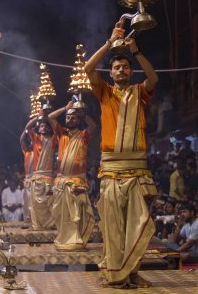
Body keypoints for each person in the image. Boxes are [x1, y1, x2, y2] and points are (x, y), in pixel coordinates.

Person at [85, 21, 158, 289]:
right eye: (116, 67)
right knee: (113, 227)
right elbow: (88, 69)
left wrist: (136, 52)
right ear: (112, 73)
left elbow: (154, 79)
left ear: (130, 70)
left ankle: (134, 273)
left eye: (125, 67)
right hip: (111, 172)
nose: (121, 70)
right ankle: (115, 273)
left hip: (137, 171)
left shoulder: (140, 92)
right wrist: (109, 43)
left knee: (137, 225)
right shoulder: (104, 92)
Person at [48, 101, 96, 251]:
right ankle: (64, 239)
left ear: (79, 120)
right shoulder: (61, 134)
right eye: (68, 118)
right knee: (62, 214)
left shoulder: (84, 135)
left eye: (74, 118)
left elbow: (93, 126)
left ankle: (76, 240)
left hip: (77, 181)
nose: (70, 120)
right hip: (62, 181)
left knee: (76, 214)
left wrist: (83, 113)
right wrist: (65, 108)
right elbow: (50, 117)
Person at [23, 113, 57, 229]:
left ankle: (51, 225)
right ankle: (37, 226)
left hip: (47, 177)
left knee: (49, 203)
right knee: (35, 205)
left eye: (46, 126)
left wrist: (48, 117)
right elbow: (27, 128)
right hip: (36, 177)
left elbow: (57, 128)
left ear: (50, 128)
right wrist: (37, 118)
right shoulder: (36, 139)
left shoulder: (53, 140)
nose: (44, 128)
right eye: (41, 126)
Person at [20, 125, 34, 222]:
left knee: (34, 201)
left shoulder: (39, 152)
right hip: (27, 180)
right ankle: (27, 219)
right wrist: (25, 131)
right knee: (26, 201)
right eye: (30, 142)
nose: (30, 144)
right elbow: (21, 141)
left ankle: (35, 220)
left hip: (36, 180)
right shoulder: (27, 153)